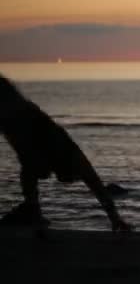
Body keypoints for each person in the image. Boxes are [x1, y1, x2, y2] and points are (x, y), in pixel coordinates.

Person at [0, 74, 132, 232]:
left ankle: (32, 212)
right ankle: (32, 212)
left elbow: (97, 187)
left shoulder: (36, 155)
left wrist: (115, 219)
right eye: (71, 178)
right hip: (20, 118)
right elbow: (95, 185)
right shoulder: (63, 153)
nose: (70, 182)